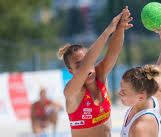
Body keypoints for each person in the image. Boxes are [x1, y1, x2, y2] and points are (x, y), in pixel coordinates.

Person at [56, 6, 133, 137]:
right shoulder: (71, 92)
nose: (86, 67)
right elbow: (87, 65)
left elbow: (113, 52)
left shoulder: (100, 76)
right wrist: (108, 30)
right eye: (79, 65)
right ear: (70, 71)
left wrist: (120, 27)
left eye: (87, 60)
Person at [119, 16, 161, 137]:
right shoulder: (155, 93)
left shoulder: (141, 127)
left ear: (141, 96)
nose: (119, 93)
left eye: (124, 92)